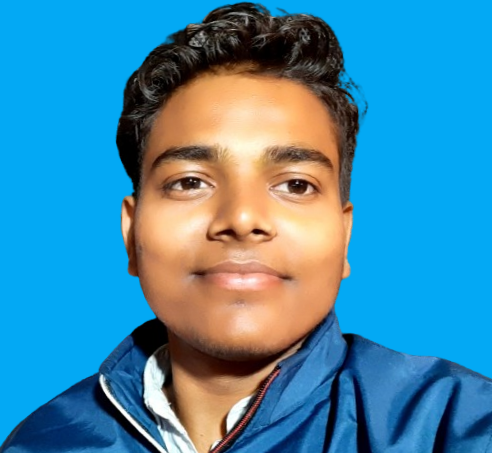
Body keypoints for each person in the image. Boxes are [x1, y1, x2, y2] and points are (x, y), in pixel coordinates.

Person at [2, 3, 491, 452]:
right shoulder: (43, 442)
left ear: (345, 236)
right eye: (189, 182)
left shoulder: (456, 425)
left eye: (295, 185)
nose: (241, 219)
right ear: (131, 233)